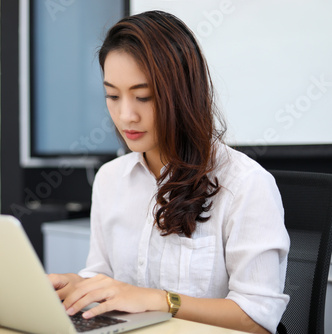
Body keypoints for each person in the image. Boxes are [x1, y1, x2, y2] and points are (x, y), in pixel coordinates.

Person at [48, 10, 289, 334]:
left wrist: (161, 300)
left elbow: (257, 320)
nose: (125, 115)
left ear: (182, 93)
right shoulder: (110, 179)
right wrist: (79, 286)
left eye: (143, 96)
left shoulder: (245, 183)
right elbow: (105, 278)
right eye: (112, 96)